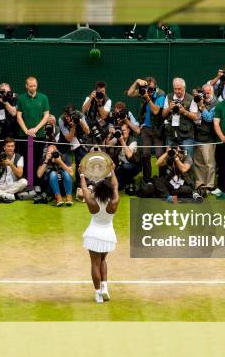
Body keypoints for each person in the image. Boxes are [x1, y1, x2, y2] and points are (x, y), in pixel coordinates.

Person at [80, 165, 119, 303]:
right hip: (107, 235)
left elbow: (84, 189)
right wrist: (112, 170)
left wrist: (82, 174)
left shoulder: (91, 202)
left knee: (94, 264)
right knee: (102, 260)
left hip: (94, 235)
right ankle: (104, 287)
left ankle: (98, 294)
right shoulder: (114, 202)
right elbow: (115, 185)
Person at [126, 77, 168, 183]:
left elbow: (156, 111)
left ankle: (162, 179)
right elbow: (130, 93)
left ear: (155, 85)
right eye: (147, 86)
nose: (148, 89)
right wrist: (136, 81)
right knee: (145, 154)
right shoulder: (144, 92)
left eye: (150, 86)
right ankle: (146, 180)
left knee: (159, 154)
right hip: (146, 128)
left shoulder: (160, 94)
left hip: (158, 129)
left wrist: (147, 98)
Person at [16, 76, 50, 184]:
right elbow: (18, 116)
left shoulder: (43, 98)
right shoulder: (21, 98)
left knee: (38, 159)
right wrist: (26, 131)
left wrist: (35, 129)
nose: (33, 88)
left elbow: (46, 116)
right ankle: (27, 183)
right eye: (30, 86)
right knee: (26, 160)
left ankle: (37, 184)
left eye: (34, 85)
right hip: (23, 135)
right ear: (26, 86)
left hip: (39, 134)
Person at [192, 84, 219, 192]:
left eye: (208, 93)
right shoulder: (197, 100)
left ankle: (209, 185)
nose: (206, 95)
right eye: (205, 93)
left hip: (209, 138)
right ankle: (200, 183)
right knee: (198, 163)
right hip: (197, 136)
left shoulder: (216, 104)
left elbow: (208, 118)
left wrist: (201, 105)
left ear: (212, 92)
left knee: (209, 164)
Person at [163, 77, 199, 157]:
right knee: (170, 157)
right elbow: (163, 115)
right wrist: (169, 108)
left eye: (179, 89)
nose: (177, 91)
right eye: (175, 89)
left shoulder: (191, 99)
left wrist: (184, 112)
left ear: (184, 88)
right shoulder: (169, 97)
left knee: (187, 157)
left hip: (186, 135)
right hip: (171, 134)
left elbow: (195, 117)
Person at [106, 123, 139, 192]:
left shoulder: (133, 141)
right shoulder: (117, 138)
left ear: (129, 130)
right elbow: (107, 145)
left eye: (124, 130)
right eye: (121, 131)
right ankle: (125, 181)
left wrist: (122, 141)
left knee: (124, 167)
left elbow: (129, 156)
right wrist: (110, 135)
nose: (122, 132)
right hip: (120, 167)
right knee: (118, 186)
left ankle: (130, 180)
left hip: (132, 165)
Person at [0, 83, 18, 152]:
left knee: (12, 155)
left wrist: (5, 102)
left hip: (12, 133)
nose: (6, 94)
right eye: (4, 92)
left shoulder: (15, 98)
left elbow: (13, 113)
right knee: (0, 157)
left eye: (8, 92)